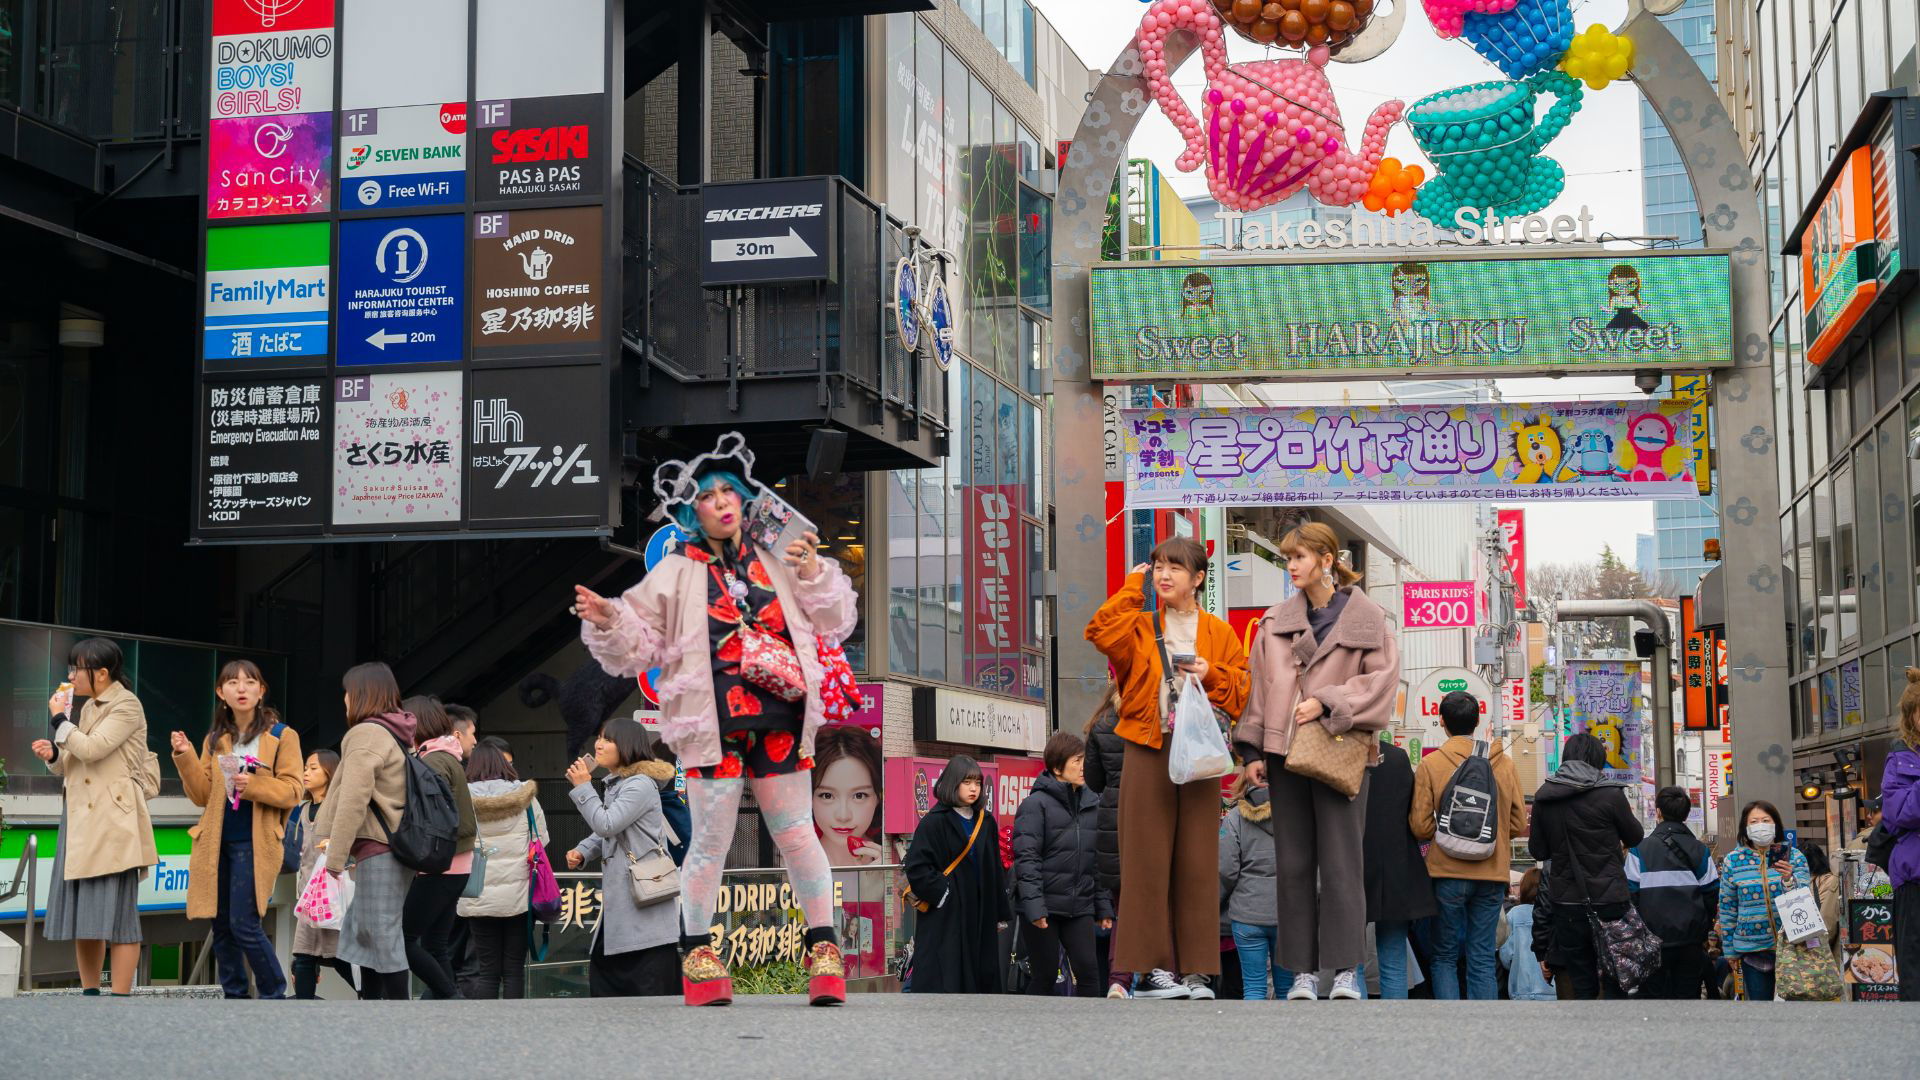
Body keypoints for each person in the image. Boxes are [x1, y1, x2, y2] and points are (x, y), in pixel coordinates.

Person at [573, 435, 858, 1006]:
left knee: (796, 830)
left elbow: (836, 618)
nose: (724, 502)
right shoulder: (675, 573)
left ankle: (824, 947)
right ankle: (698, 951)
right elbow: (638, 647)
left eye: (731, 490)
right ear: (689, 509)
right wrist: (607, 618)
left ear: (747, 498)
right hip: (712, 724)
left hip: (780, 714)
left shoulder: (780, 557)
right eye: (709, 495)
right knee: (710, 840)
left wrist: (812, 572)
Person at [1236, 522, 1398, 1002]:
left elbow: (1381, 683)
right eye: (1288, 559)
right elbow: (1260, 688)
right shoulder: (1273, 623)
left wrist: (1328, 701)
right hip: (1284, 754)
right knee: (1294, 864)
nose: (1291, 566)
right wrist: (1251, 751)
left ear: (1328, 560)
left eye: (1299, 557)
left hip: (1340, 750)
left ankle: (1346, 970)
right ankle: (1302, 974)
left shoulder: (1369, 619)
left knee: (1343, 862)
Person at [1085, 537, 1250, 1000]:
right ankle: (1152, 970)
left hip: (1199, 751)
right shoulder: (1139, 624)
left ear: (1197, 578)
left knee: (1198, 863)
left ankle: (1197, 972)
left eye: (1175, 567)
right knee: (1144, 862)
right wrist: (1130, 588)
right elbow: (1100, 632)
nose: (1164, 574)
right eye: (1158, 565)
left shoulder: (1218, 631)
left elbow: (1241, 689)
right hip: (1146, 744)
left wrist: (1209, 672)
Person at [169, 659, 303, 999]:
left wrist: (253, 785)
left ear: (261, 691)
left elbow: (292, 790)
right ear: (221, 693)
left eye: (249, 682)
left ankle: (274, 992)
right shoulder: (216, 739)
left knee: (244, 923)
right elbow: (201, 795)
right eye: (232, 683)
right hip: (216, 840)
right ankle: (235, 996)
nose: (241, 688)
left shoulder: (281, 736)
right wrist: (184, 756)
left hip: (255, 840)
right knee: (221, 923)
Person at [30, 638, 156, 996]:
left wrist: (58, 720)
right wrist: (54, 754)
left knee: (120, 919)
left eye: (77, 668)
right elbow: (73, 763)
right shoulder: (87, 709)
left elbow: (93, 748)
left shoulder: (127, 705)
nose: (71, 675)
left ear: (101, 673)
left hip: (113, 821)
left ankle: (119, 997)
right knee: (85, 915)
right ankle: (89, 994)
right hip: (83, 818)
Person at [1409, 690, 1525, 1000]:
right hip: (1492, 874)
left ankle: (1450, 1027)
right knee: (1483, 954)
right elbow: (1516, 823)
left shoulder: (1430, 765)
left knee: (1444, 955)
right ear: (1478, 722)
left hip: (1446, 872)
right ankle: (1484, 1028)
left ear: (1442, 722)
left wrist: (1448, 837)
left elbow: (1419, 826)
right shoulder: (1504, 763)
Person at [311, 662, 417, 1000]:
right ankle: (370, 1009)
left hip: (379, 847)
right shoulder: (394, 732)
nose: (344, 699)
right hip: (393, 846)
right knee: (365, 933)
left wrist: (335, 856)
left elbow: (353, 798)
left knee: (381, 933)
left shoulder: (366, 734)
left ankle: (399, 1014)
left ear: (360, 694)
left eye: (347, 691)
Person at [562, 717, 679, 997]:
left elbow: (607, 824)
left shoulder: (639, 785)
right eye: (599, 738)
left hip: (641, 900)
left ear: (626, 746)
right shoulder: (620, 784)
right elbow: (612, 830)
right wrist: (584, 850)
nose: (598, 744)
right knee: (611, 974)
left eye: (607, 739)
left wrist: (582, 788)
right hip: (627, 902)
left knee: (640, 981)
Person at [1530, 732, 1644, 998]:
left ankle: (1587, 1033)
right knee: (1618, 973)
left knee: (1581, 978)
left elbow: (1538, 850)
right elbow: (1635, 836)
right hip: (1610, 899)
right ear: (1598, 760)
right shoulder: (1610, 795)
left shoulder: (1544, 797)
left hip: (1567, 901)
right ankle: (1614, 1033)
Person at [1012, 732, 1112, 997]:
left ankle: (1089, 1032)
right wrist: (1035, 908)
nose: (1084, 767)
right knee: (1044, 976)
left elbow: (1098, 861)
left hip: (1079, 907)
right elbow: (1027, 859)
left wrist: (1103, 908)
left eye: (1085, 761)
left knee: (1089, 973)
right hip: (1044, 908)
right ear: (1057, 767)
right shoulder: (1035, 805)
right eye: (1077, 761)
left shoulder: (1093, 804)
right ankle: (1034, 1033)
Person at [904, 756, 1012, 993]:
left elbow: (994, 867)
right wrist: (944, 893)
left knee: (980, 968)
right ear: (953, 783)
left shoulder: (986, 821)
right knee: (948, 968)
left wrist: (999, 912)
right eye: (967, 782)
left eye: (977, 782)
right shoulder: (934, 822)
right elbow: (917, 866)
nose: (973, 788)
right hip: (947, 912)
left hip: (981, 909)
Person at [456, 741, 550, 999]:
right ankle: (515, 1029)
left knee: (486, 971)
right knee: (513, 970)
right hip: (518, 895)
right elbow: (541, 839)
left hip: (477, 893)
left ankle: (489, 1032)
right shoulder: (526, 799)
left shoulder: (461, 798)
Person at [399, 695, 477, 999]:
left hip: (440, 864)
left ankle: (451, 998)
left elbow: (433, 817)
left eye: (406, 719)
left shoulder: (432, 761)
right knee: (435, 944)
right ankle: (449, 1004)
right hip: (455, 863)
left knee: (402, 939)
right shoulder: (444, 757)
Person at [1626, 785, 1718, 999]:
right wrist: (1702, 928)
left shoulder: (1640, 850)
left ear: (1658, 812)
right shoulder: (1700, 850)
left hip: (1651, 942)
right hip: (1690, 941)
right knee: (1687, 997)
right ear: (1686, 814)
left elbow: (1630, 895)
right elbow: (1712, 892)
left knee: (1654, 999)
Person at [1364, 737, 1435, 999]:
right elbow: (1413, 813)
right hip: (1397, 864)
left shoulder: (1340, 754)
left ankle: (1354, 1027)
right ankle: (1395, 1028)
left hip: (1353, 863)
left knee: (1351, 964)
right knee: (1393, 956)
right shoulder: (1397, 757)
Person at [1717, 799, 1810, 1001]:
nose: (1760, 825)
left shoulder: (1794, 857)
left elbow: (1806, 898)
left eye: (1765, 820)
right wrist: (1730, 950)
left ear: (1775, 824)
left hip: (1793, 946)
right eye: (1754, 821)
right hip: (1752, 949)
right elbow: (1728, 907)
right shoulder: (1733, 860)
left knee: (1796, 1007)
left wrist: (1788, 879)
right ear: (1745, 827)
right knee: (1761, 1008)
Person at [1081, 682, 1131, 998]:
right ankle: (1162, 973)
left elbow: (1094, 780)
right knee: (1159, 899)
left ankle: (1119, 978)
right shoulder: (1150, 717)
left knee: (1122, 906)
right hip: (1151, 812)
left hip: (1112, 817)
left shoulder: (1102, 724)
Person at [292, 750, 354, 999]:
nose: (306, 772)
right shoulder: (303, 809)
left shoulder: (339, 806)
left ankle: (374, 997)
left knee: (340, 958)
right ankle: (304, 1010)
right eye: (306, 767)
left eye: (314, 768)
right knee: (304, 956)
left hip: (333, 897)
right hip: (309, 897)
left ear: (330, 771)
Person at [1219, 773, 1281, 999]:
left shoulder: (1234, 817)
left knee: (1253, 987)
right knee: (1286, 989)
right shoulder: (1295, 815)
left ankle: (1251, 1034)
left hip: (1246, 914)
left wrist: (1216, 902)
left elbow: (1226, 868)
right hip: (1287, 915)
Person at [1883, 669, 1920, 1000]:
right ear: (1912, 717)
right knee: (1914, 968)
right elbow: (1899, 814)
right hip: (1914, 880)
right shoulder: (1900, 758)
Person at [813, 724, 884, 868]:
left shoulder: (894, 862)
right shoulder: (789, 865)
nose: (843, 816)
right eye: (827, 795)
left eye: (859, 796)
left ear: (878, 797)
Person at [1497, 870, 1556, 1000]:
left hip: (1522, 989)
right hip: (1555, 989)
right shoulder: (1557, 914)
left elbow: (1506, 956)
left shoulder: (1514, 914)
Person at [1799, 841, 1842, 970]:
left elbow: (1827, 919)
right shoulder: (1832, 880)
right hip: (1832, 947)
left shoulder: (1806, 885)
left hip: (1814, 946)